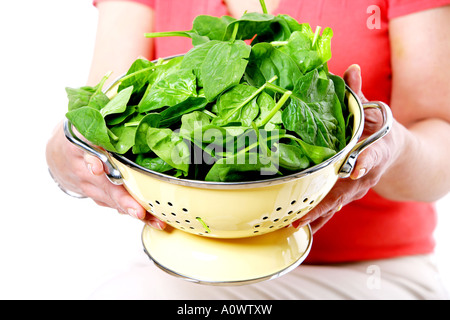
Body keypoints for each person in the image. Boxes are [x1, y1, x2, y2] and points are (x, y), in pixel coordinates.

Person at [46, 0, 450, 299]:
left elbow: (439, 143)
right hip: (186, 270)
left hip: (366, 273)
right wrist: (66, 158)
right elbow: (98, 111)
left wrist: (391, 147)